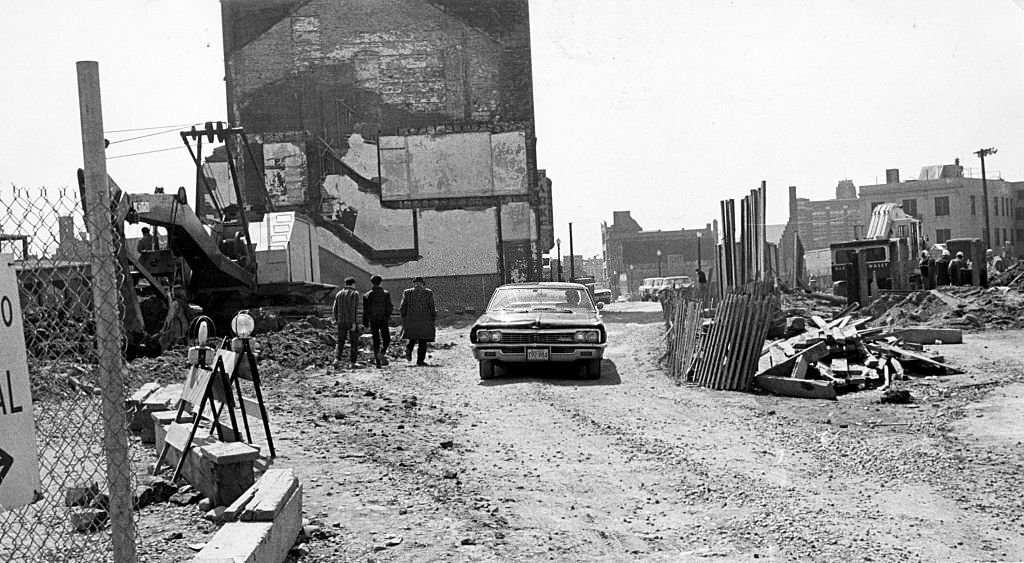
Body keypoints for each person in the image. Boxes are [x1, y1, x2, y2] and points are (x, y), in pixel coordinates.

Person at [400, 277, 436, 366]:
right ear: (422, 283)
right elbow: (431, 306)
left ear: (414, 283)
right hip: (424, 320)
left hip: (411, 319)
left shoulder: (407, 292)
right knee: (422, 341)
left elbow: (402, 307)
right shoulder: (428, 293)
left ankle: (408, 349)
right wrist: (433, 316)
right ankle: (420, 361)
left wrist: (404, 317)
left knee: (412, 338)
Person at [363, 274, 394, 368]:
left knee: (376, 340)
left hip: (373, 320)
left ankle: (378, 362)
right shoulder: (385, 293)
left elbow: (365, 310)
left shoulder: (367, 295)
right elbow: (389, 307)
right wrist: (387, 317)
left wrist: (365, 322)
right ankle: (382, 352)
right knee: (387, 339)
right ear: (380, 282)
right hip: (383, 319)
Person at [332, 277, 362, 368]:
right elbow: (353, 309)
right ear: (353, 284)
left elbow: (334, 309)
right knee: (354, 342)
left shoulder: (339, 294)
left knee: (340, 341)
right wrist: (353, 323)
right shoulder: (354, 293)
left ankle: (337, 359)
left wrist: (337, 319)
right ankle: (352, 362)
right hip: (351, 321)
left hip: (341, 321)